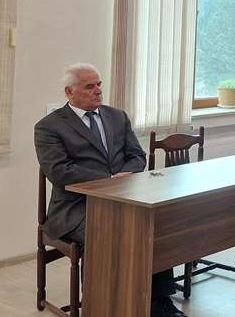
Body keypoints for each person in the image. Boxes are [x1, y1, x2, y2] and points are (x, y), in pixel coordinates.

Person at [34, 64, 186, 317]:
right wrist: (110, 179)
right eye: (89, 86)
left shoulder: (117, 116)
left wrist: (124, 176)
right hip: (76, 207)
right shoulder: (49, 126)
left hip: (123, 199)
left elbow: (137, 156)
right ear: (69, 92)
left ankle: (158, 301)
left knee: (153, 225)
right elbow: (59, 171)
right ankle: (100, 304)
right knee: (111, 230)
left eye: (99, 84)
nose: (98, 91)